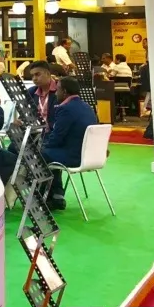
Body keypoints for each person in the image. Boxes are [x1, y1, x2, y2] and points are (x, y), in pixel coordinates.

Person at [41, 77, 99, 211]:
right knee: (50, 154)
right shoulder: (87, 107)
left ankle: (43, 197)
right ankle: (57, 195)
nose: (56, 93)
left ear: (64, 92)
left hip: (73, 156)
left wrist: (43, 145)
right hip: (89, 156)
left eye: (58, 90)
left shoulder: (65, 109)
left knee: (40, 154)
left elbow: (57, 136)